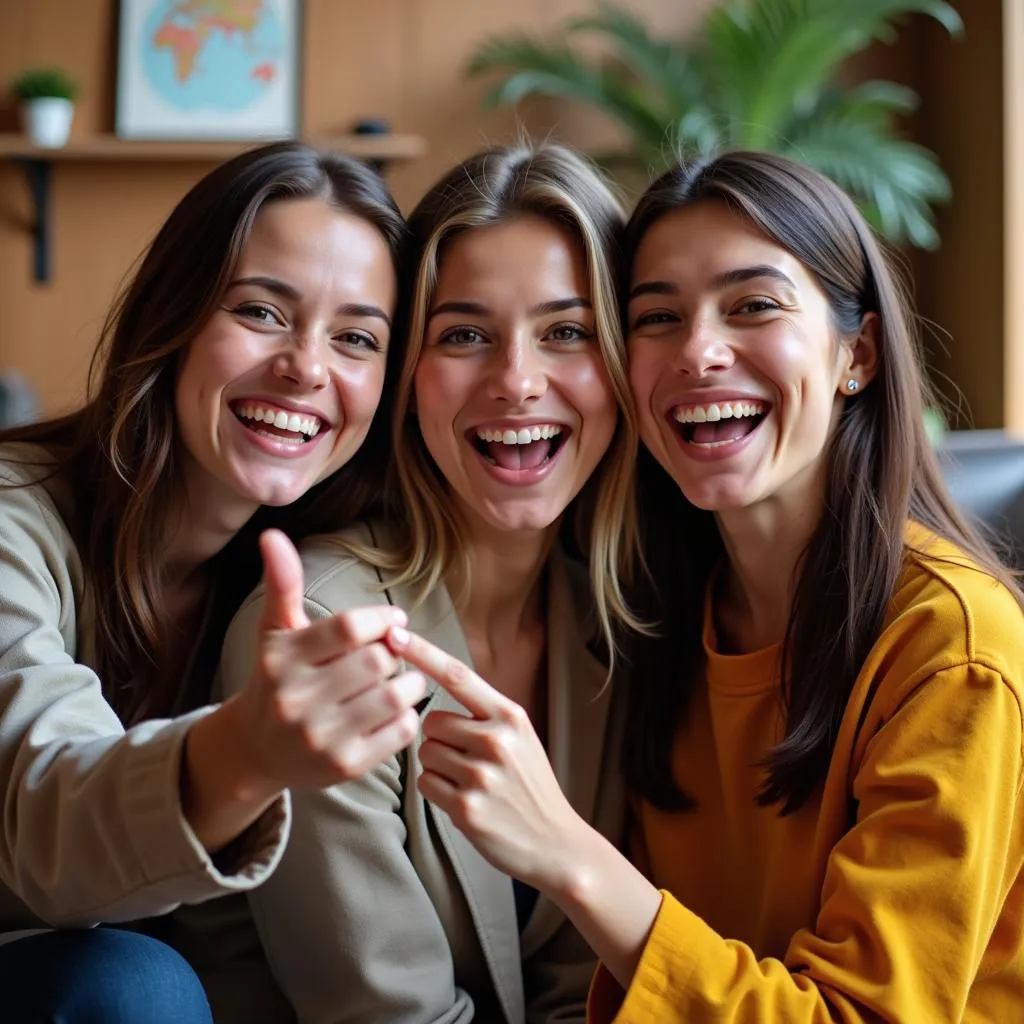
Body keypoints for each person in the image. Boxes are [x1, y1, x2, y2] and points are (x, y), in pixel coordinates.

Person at [389, 150, 1024, 1021]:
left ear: (859, 355)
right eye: (657, 317)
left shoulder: (953, 648)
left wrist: (568, 853)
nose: (698, 352)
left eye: (753, 306)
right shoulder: (653, 614)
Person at [213, 140, 641, 1023]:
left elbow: (581, 991)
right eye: (465, 335)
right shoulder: (324, 627)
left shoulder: (613, 630)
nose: (517, 381)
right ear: (407, 376)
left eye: (565, 331)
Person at [0, 141, 426, 1023]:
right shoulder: (14, 516)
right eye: (262, 311)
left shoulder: (319, 579)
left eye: (356, 338)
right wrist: (246, 752)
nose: (308, 366)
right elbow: (41, 817)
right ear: (174, 314)